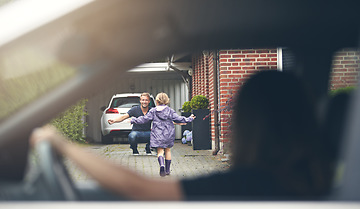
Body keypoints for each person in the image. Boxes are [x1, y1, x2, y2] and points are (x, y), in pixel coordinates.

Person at [30, 71, 333, 201]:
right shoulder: (322, 181)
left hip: (159, 137)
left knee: (163, 152)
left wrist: (62, 145)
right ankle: (165, 168)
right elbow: (172, 117)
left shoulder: (244, 184)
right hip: (166, 136)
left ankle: (163, 168)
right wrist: (187, 119)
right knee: (167, 152)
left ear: (249, 127)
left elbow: (136, 187)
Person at [130, 92, 196, 176]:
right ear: (167, 101)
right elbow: (178, 118)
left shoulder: (153, 111)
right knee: (167, 150)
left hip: (157, 134)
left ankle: (161, 165)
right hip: (168, 134)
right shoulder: (170, 110)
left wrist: (133, 120)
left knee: (160, 151)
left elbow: (144, 119)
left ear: (157, 101)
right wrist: (189, 119)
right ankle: (167, 170)